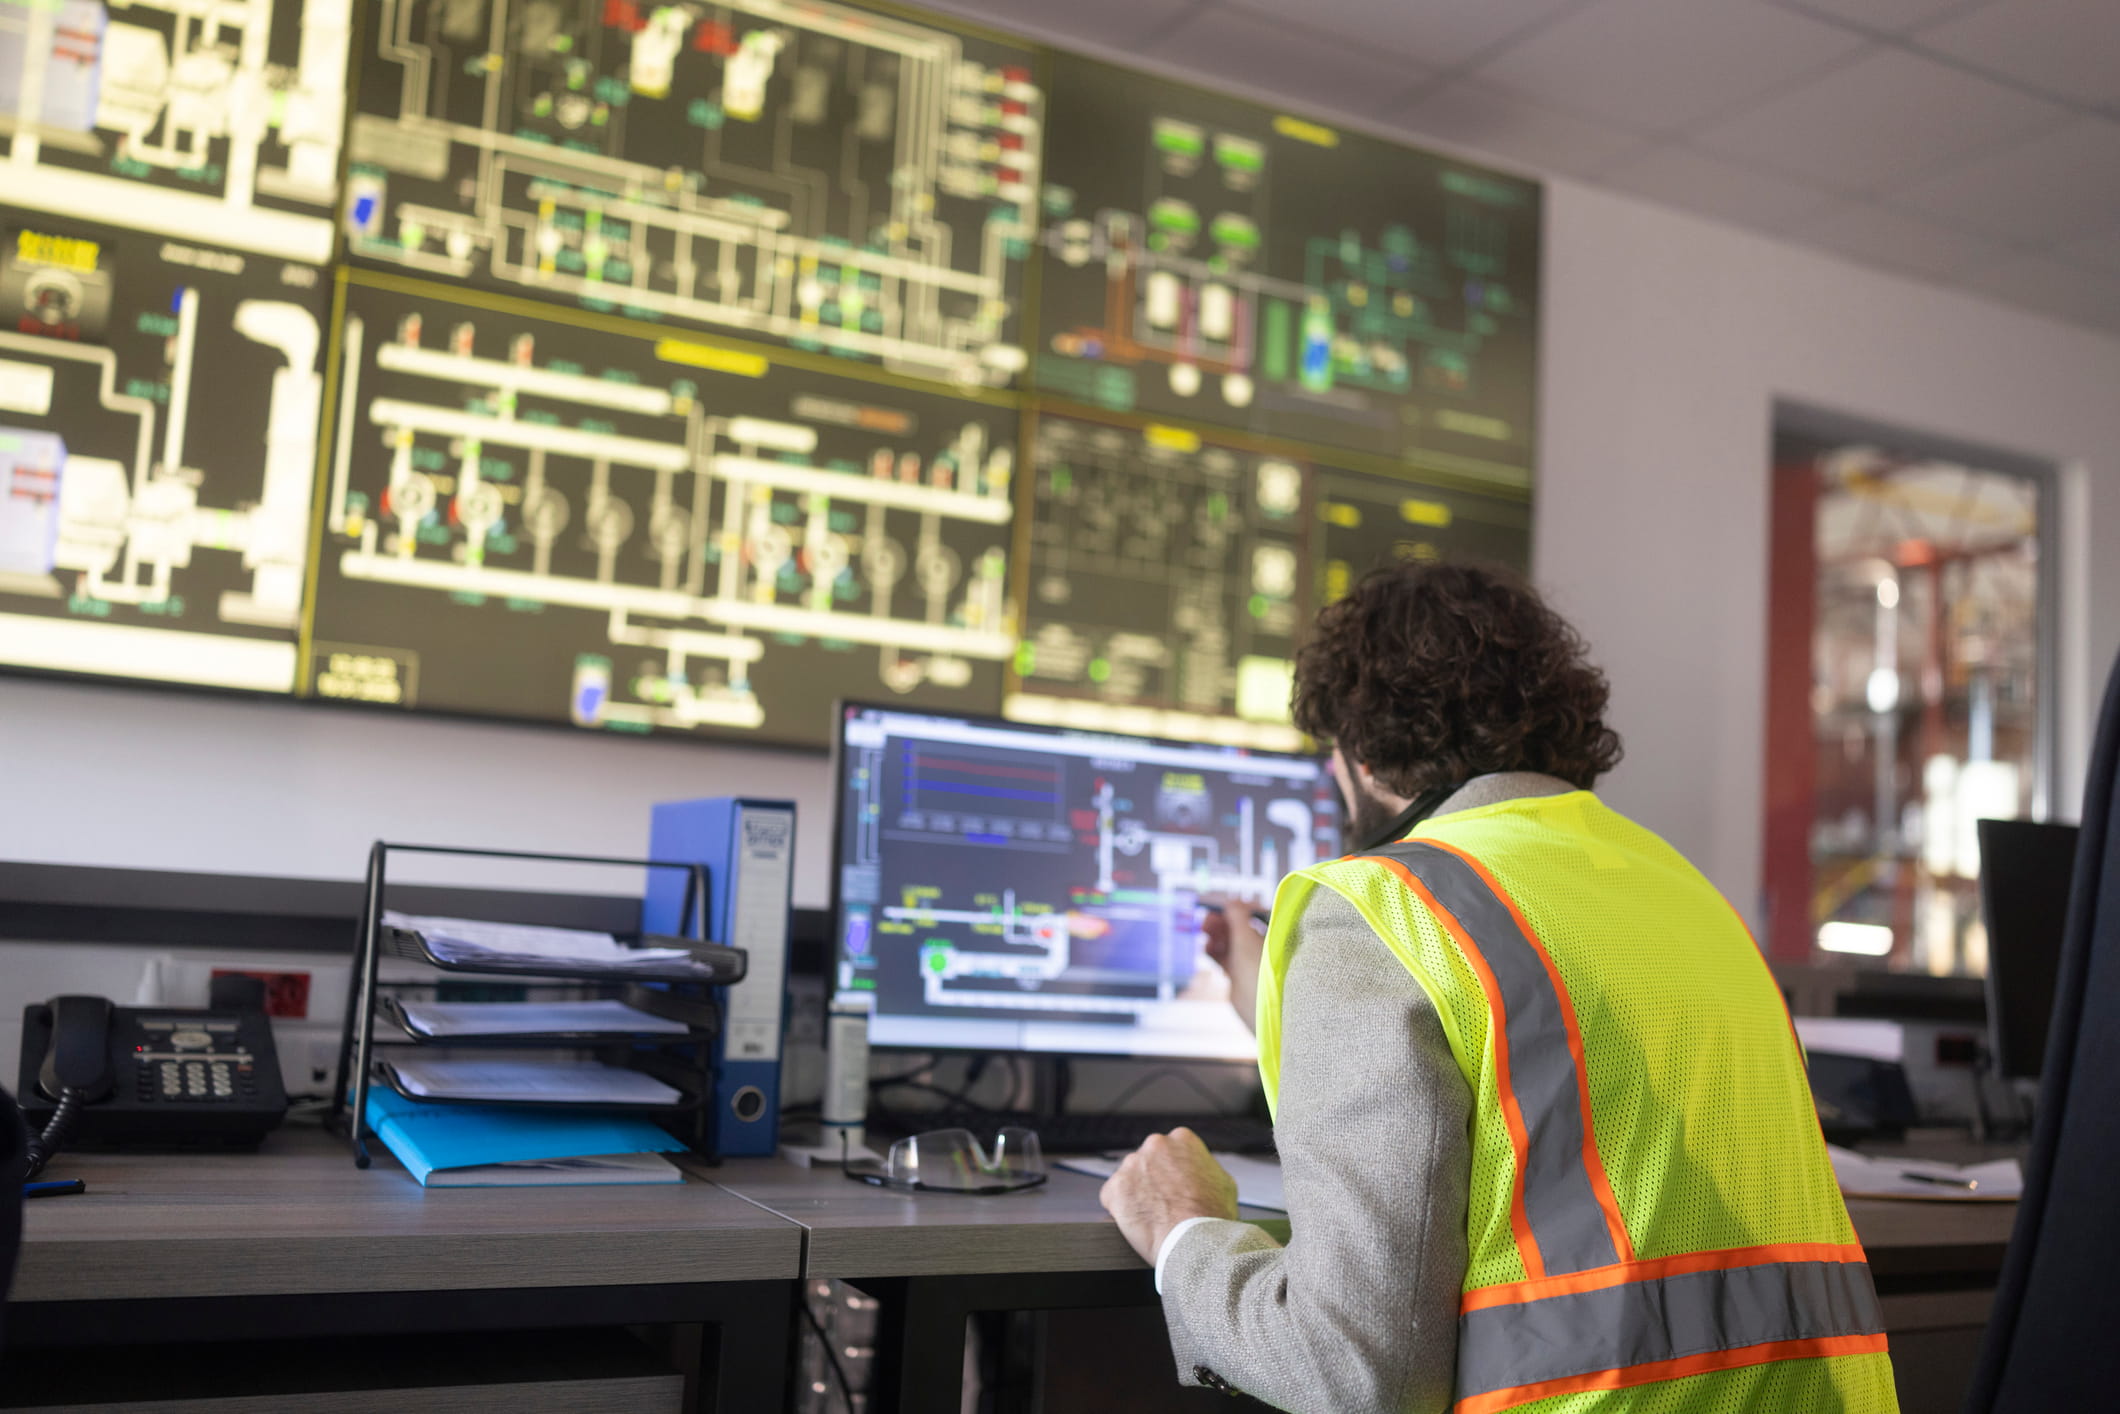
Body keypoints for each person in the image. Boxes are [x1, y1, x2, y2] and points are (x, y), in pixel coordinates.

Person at [1098, 561, 1897, 1413]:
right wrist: (1276, 1000)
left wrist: (1185, 1231)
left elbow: (1353, 1374)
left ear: (1363, 756)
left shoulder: (1384, 911)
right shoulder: (1686, 891)